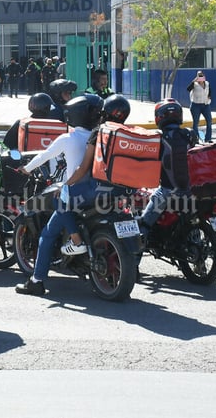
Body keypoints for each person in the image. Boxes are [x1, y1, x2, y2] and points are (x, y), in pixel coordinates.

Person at [15, 94, 104, 295]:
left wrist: (27, 169)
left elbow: (44, 156)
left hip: (77, 191)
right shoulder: (99, 136)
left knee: (47, 233)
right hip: (98, 190)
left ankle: (37, 281)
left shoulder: (68, 138)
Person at [63, 93, 133, 252]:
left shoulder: (99, 132)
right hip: (125, 190)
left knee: (60, 199)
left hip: (99, 189)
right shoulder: (129, 133)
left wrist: (65, 186)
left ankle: (76, 241)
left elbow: (83, 168)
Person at [138, 99, 197, 237]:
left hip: (168, 191)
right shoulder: (189, 134)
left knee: (144, 224)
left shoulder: (158, 138)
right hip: (191, 189)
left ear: (159, 117)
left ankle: (141, 240)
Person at [187, 70, 212, 143]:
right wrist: (194, 80)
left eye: (201, 75)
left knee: (209, 122)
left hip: (205, 105)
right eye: (198, 75)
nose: (200, 77)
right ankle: (196, 139)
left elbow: (209, 91)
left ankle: (208, 139)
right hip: (196, 106)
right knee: (195, 123)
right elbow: (188, 89)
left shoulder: (207, 83)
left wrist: (209, 98)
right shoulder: (194, 84)